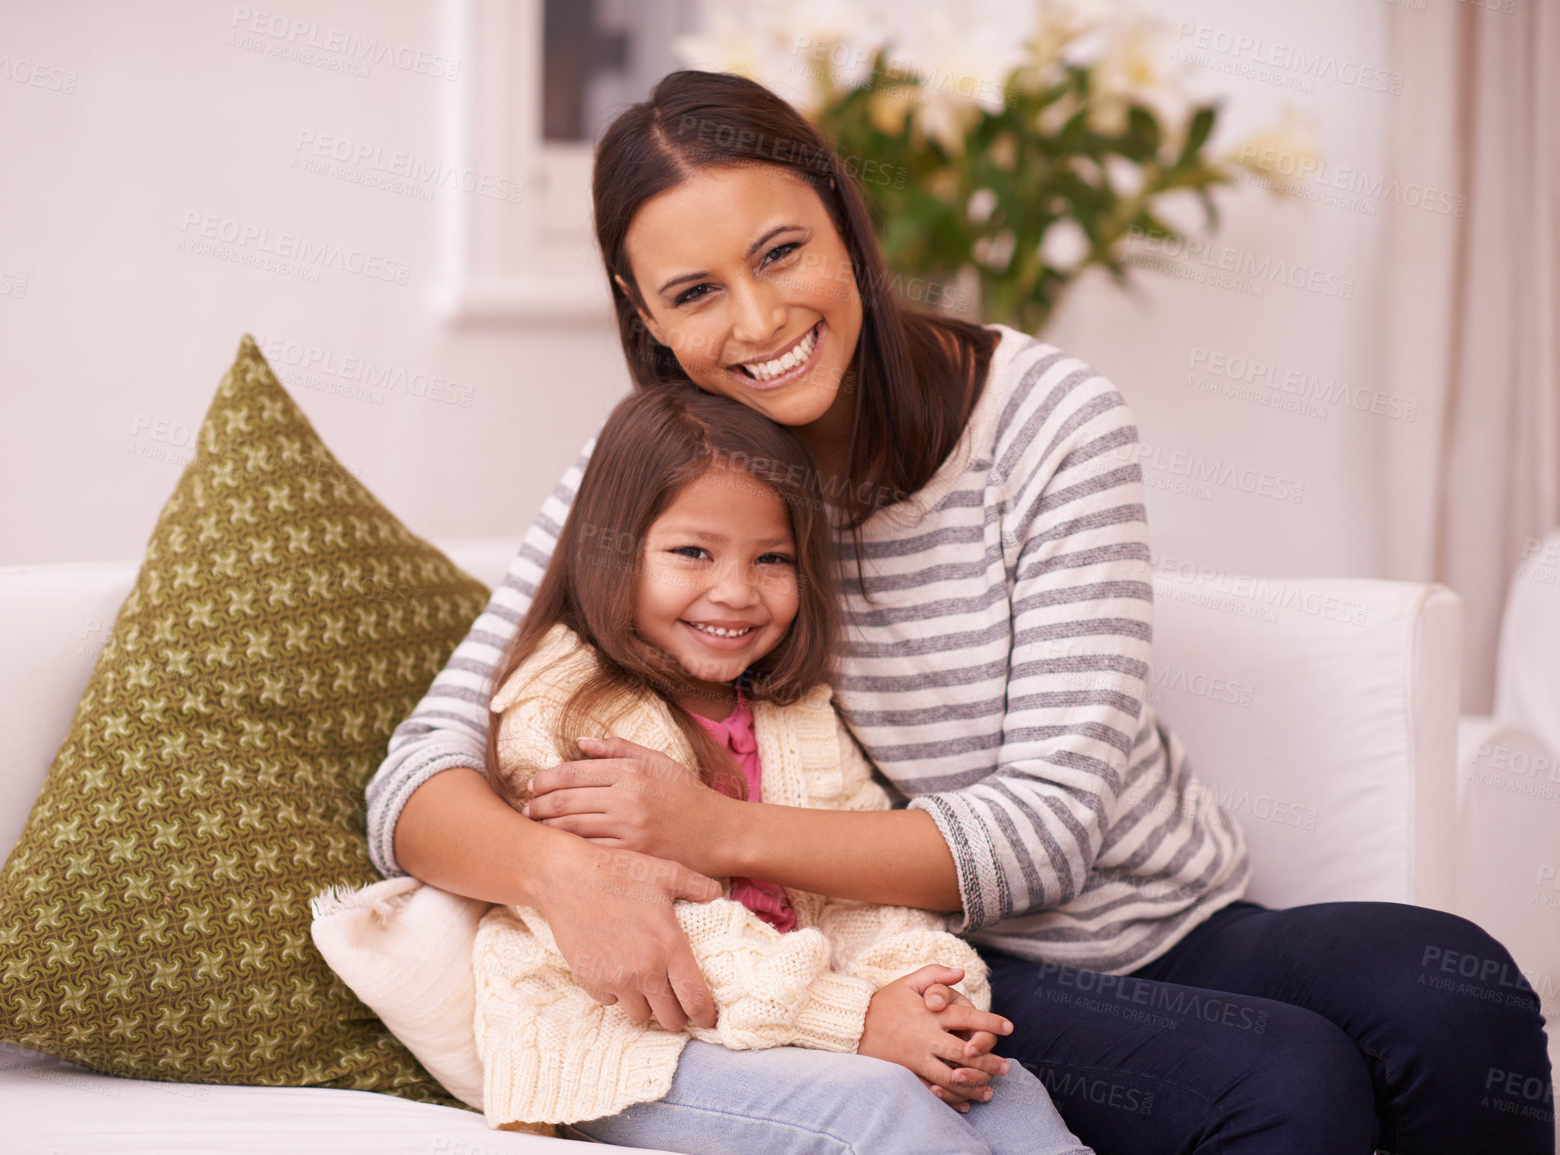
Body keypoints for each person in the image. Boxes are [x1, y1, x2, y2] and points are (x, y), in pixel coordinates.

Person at [366, 69, 1554, 1154]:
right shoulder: (651, 483)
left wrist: (704, 829)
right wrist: (561, 878)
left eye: (781, 252)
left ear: (844, 219)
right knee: (1285, 1082)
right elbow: (416, 776)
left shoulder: (1048, 423)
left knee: (1457, 984)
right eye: (696, 293)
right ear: (647, 315)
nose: (760, 321)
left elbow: (1044, 834)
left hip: (1170, 918)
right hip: (930, 957)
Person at [470, 382, 1094, 1152]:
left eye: (771, 558)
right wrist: (855, 1018)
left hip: (810, 1017)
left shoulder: (792, 710)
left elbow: (859, 881)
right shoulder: (564, 707)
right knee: (880, 1112)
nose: (735, 592)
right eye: (692, 552)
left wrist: (921, 993)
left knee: (1007, 1094)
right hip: (636, 1040)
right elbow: (659, 935)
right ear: (610, 547)